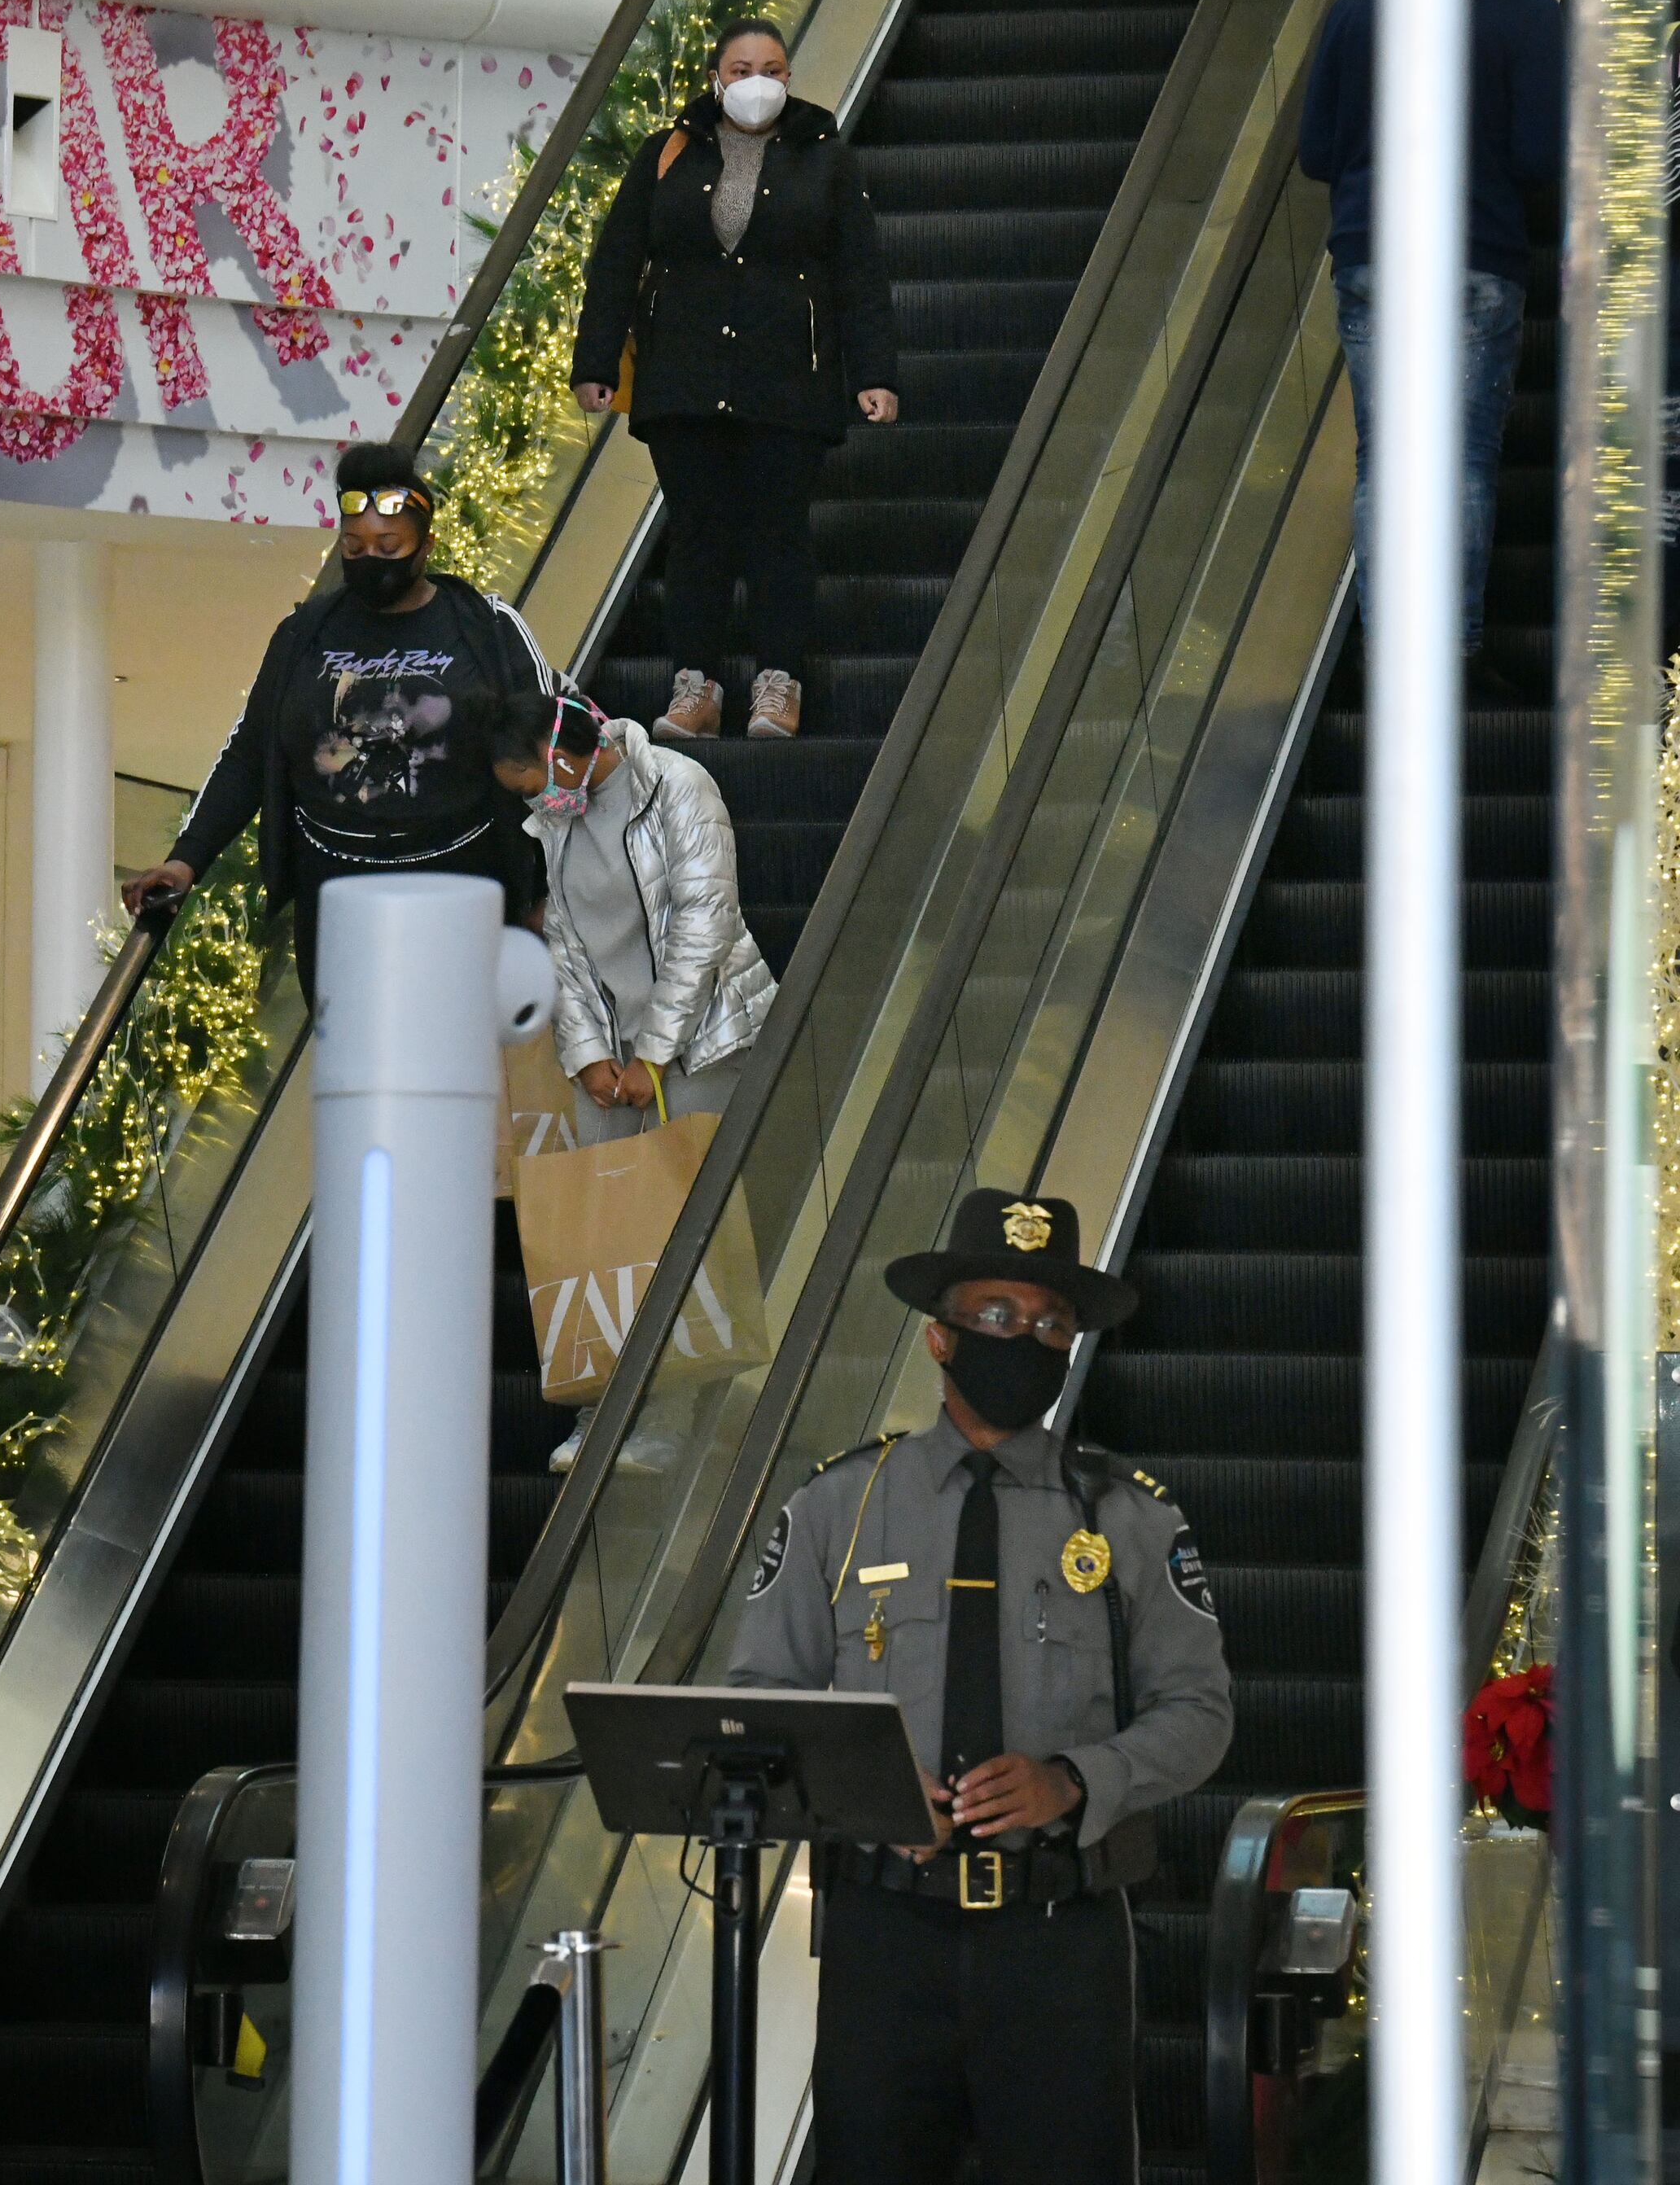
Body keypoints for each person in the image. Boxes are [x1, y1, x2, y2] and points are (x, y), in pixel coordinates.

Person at [725, 1189, 1232, 2184]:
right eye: (997, 1317)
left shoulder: (1129, 1517)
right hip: (884, 1937)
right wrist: (865, 1794)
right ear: (938, 1339)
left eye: (1052, 1325)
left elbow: (1202, 1713)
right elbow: (761, 1700)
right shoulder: (839, 1504)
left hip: (1060, 1943)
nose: (1026, 1340)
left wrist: (1079, 1780)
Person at [118, 440, 580, 997]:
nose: (370, 560)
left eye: (390, 545)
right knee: (355, 1069)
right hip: (337, 894)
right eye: (354, 545)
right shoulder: (303, 634)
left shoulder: (485, 626)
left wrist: (557, 894)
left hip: (465, 883)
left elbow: (549, 748)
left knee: (454, 1061)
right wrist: (185, 861)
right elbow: (249, 753)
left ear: (425, 546)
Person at [567, 19, 898, 742]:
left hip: (789, 380)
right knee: (697, 531)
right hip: (682, 377)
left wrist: (874, 374)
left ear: (788, 77)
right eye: (742, 67)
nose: (757, 81)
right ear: (716, 77)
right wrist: (594, 362)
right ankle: (697, 686)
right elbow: (618, 258)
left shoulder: (827, 159)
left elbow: (860, 274)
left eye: (773, 68)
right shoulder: (668, 152)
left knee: (779, 530)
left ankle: (777, 685)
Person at [1297, 0, 1559, 695]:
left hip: (1372, 254)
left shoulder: (1353, 10)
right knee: (1463, 459)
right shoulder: (1525, 12)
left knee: (1381, 459)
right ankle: (1453, 655)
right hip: (1472, 252)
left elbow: (1316, 152)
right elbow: (1542, 153)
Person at [466, 687, 777, 1142]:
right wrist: (586, 1054)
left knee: (701, 1203)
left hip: (705, 1043)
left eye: (530, 787)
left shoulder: (678, 785)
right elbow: (562, 944)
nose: (534, 803)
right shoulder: (557, 825)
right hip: (613, 1058)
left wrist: (653, 1056)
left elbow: (704, 925)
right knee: (615, 1203)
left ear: (561, 759)